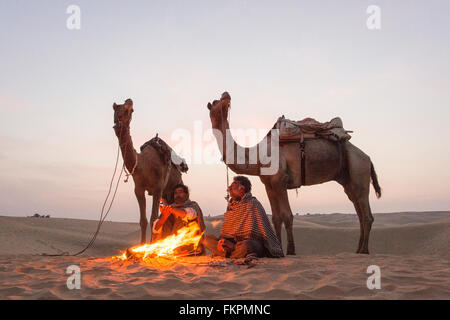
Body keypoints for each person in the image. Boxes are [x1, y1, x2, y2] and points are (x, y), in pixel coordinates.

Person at [202, 176, 284, 259]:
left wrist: (233, 246)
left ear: (242, 189)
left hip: (248, 243)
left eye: (232, 186)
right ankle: (233, 254)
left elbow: (263, 233)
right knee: (206, 241)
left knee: (248, 246)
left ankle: (227, 254)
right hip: (232, 244)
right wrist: (222, 241)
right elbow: (227, 231)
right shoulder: (231, 206)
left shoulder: (253, 204)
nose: (229, 188)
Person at [152, 184, 206, 255]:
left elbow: (188, 214)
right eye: (175, 193)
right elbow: (156, 229)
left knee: (181, 217)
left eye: (180, 192)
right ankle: (169, 249)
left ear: (187, 195)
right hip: (170, 248)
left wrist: (171, 210)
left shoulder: (193, 205)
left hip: (190, 247)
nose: (178, 195)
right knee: (165, 219)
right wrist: (165, 216)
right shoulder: (169, 208)